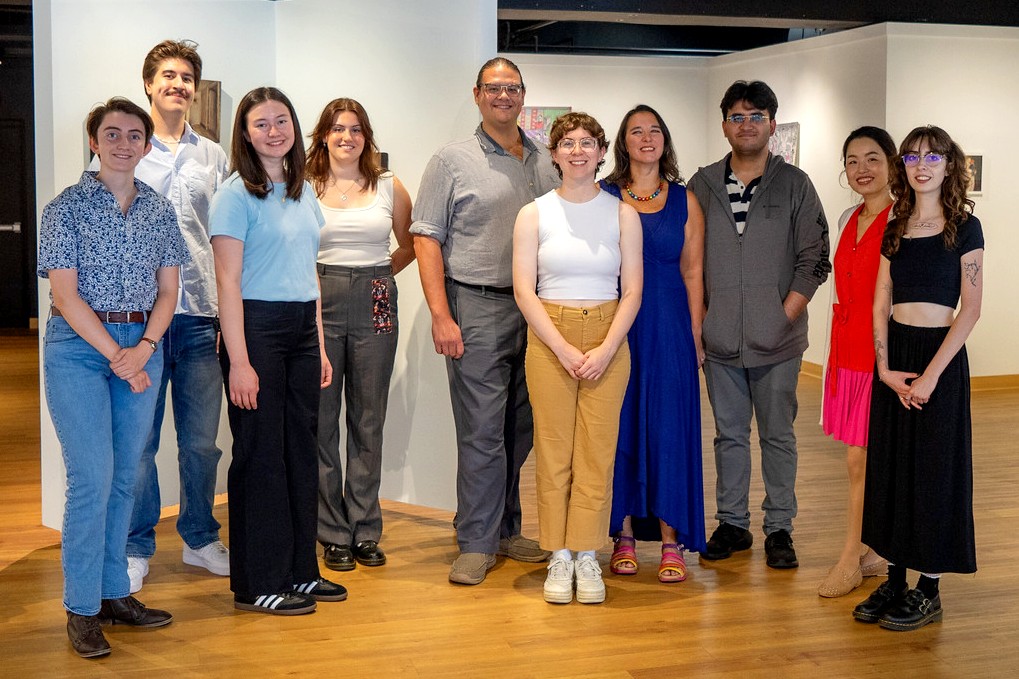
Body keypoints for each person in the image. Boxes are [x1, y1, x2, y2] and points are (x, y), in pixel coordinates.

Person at [39, 97, 187, 657]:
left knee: (127, 473)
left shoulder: (158, 210)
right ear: (94, 142)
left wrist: (143, 347)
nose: (124, 143)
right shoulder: (65, 209)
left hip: (140, 344)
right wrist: (117, 355)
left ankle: (112, 593)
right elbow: (65, 294)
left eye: (134, 135)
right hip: (77, 349)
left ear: (146, 146)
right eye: (112, 133)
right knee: (92, 477)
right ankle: (80, 607)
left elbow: (168, 291)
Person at [411, 57, 560, 585]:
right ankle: (476, 541)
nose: (504, 96)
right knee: (481, 431)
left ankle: (503, 528)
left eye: (512, 88)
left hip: (538, 309)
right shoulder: (451, 161)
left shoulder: (546, 160)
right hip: (475, 306)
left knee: (519, 426)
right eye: (493, 89)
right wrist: (441, 314)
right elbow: (425, 237)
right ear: (477, 95)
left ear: (524, 95)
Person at [210, 87, 345, 615]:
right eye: (261, 123)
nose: (274, 131)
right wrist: (239, 362)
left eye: (281, 121)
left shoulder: (302, 190)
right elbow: (228, 283)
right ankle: (258, 581)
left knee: (299, 452)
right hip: (256, 330)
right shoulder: (233, 195)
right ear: (245, 133)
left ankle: (299, 572)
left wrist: (319, 344)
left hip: (300, 331)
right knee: (260, 454)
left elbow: (308, 274)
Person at [687, 80, 830, 569]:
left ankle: (780, 528)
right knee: (728, 436)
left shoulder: (796, 184)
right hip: (720, 339)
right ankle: (732, 522)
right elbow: (688, 260)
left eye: (756, 116)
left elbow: (815, 257)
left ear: (772, 122)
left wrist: (784, 313)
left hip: (780, 342)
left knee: (777, 436)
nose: (746, 125)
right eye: (736, 116)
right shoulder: (702, 184)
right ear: (723, 123)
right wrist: (701, 322)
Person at [853, 125, 983, 631]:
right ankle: (895, 577)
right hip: (896, 356)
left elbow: (970, 310)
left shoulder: (964, 227)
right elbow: (880, 300)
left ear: (950, 166)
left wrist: (929, 377)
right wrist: (884, 368)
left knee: (932, 473)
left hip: (940, 361)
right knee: (891, 470)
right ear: (903, 166)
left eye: (932, 157)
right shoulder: (895, 224)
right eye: (911, 157)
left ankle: (929, 589)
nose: (921, 165)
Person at [512, 112, 642, 604]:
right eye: (568, 143)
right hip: (550, 337)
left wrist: (606, 348)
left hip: (609, 336)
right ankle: (558, 556)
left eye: (588, 143)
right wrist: (563, 348)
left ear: (602, 152)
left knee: (596, 452)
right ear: (555, 153)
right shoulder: (535, 213)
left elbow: (633, 291)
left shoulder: (622, 213)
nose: (578, 151)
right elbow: (525, 290)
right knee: (553, 451)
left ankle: (587, 553)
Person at [124, 39, 230, 593]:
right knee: (139, 442)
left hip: (199, 318)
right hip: (139, 322)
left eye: (187, 76)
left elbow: (225, 236)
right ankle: (137, 545)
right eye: (168, 75)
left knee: (199, 442)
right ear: (149, 83)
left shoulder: (213, 156)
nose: (178, 84)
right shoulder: (125, 148)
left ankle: (199, 537)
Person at [305, 98, 415, 572]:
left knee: (369, 419)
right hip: (318, 297)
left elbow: (409, 245)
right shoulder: (304, 187)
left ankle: (365, 528)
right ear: (323, 136)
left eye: (355, 129)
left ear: (366, 137)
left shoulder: (389, 185)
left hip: (374, 294)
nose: (346, 137)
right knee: (323, 421)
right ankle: (331, 531)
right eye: (337, 129)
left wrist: (377, 277)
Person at [599, 104, 706, 583]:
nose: (646, 138)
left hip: (667, 328)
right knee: (617, 429)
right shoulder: (602, 195)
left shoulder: (686, 200)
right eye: (636, 131)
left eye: (654, 130)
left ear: (665, 140)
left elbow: (693, 271)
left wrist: (695, 337)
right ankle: (621, 536)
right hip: (614, 325)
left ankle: (670, 540)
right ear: (623, 142)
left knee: (667, 430)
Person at [817, 127, 896, 598]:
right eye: (852, 161)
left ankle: (852, 556)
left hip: (879, 353)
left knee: (859, 459)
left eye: (872, 158)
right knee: (859, 459)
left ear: (891, 163)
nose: (861, 169)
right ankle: (873, 551)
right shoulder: (849, 216)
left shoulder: (901, 219)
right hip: (846, 350)